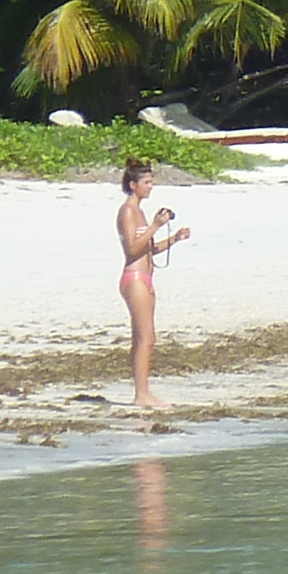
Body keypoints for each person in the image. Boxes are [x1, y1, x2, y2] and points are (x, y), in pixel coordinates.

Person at [115, 161, 192, 410]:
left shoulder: (140, 212)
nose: (151, 187)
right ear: (133, 185)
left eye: (151, 182)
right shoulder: (127, 211)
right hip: (134, 279)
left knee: (143, 337)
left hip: (145, 278)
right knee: (146, 337)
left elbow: (148, 249)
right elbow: (132, 250)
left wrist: (174, 239)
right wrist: (156, 226)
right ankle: (142, 395)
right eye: (147, 183)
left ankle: (143, 392)